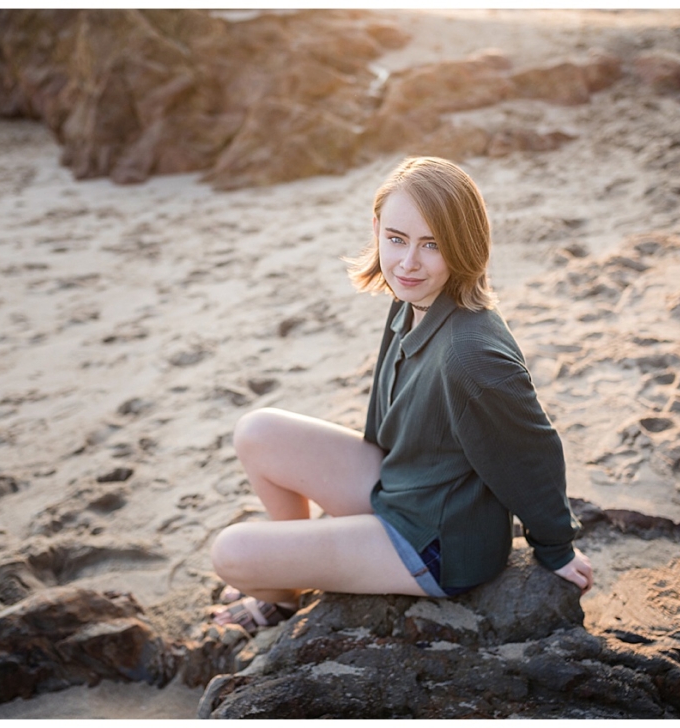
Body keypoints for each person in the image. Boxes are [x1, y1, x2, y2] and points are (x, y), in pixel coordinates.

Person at [209, 156, 592, 634]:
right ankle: (286, 587)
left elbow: (531, 454)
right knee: (257, 432)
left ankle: (281, 583)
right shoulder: (413, 296)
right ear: (376, 229)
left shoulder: (473, 356)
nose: (408, 262)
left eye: (431, 244)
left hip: (438, 544)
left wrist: (556, 547)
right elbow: (386, 414)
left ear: (464, 245)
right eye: (396, 239)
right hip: (401, 483)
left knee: (231, 552)